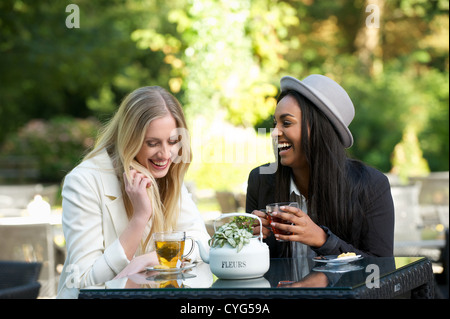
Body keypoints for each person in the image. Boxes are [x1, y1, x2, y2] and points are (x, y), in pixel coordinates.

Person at [57, 86, 210, 298]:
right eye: (152, 143)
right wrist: (139, 218)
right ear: (130, 139)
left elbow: (202, 243)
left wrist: (151, 258)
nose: (165, 154)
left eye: (173, 142)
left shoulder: (168, 174)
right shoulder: (83, 181)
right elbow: (84, 280)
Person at [246, 74, 394, 259]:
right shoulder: (260, 180)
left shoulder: (371, 186)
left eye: (287, 123)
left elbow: (382, 269)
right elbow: (249, 265)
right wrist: (247, 239)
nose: (274, 133)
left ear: (319, 129)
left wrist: (323, 240)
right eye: (275, 123)